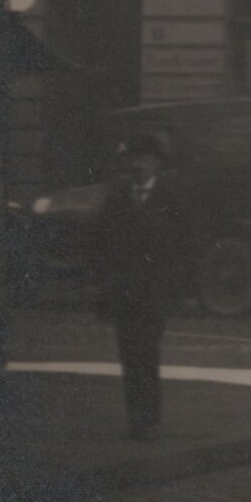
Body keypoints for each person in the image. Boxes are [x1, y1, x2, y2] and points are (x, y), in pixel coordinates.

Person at [92, 131, 192, 442]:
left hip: (153, 294)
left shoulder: (170, 200)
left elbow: (182, 247)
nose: (138, 165)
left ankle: (149, 419)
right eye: (134, 159)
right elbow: (102, 246)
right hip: (124, 293)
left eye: (145, 159)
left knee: (147, 354)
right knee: (128, 356)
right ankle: (135, 420)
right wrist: (104, 288)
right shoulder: (116, 200)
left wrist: (172, 289)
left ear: (156, 164)